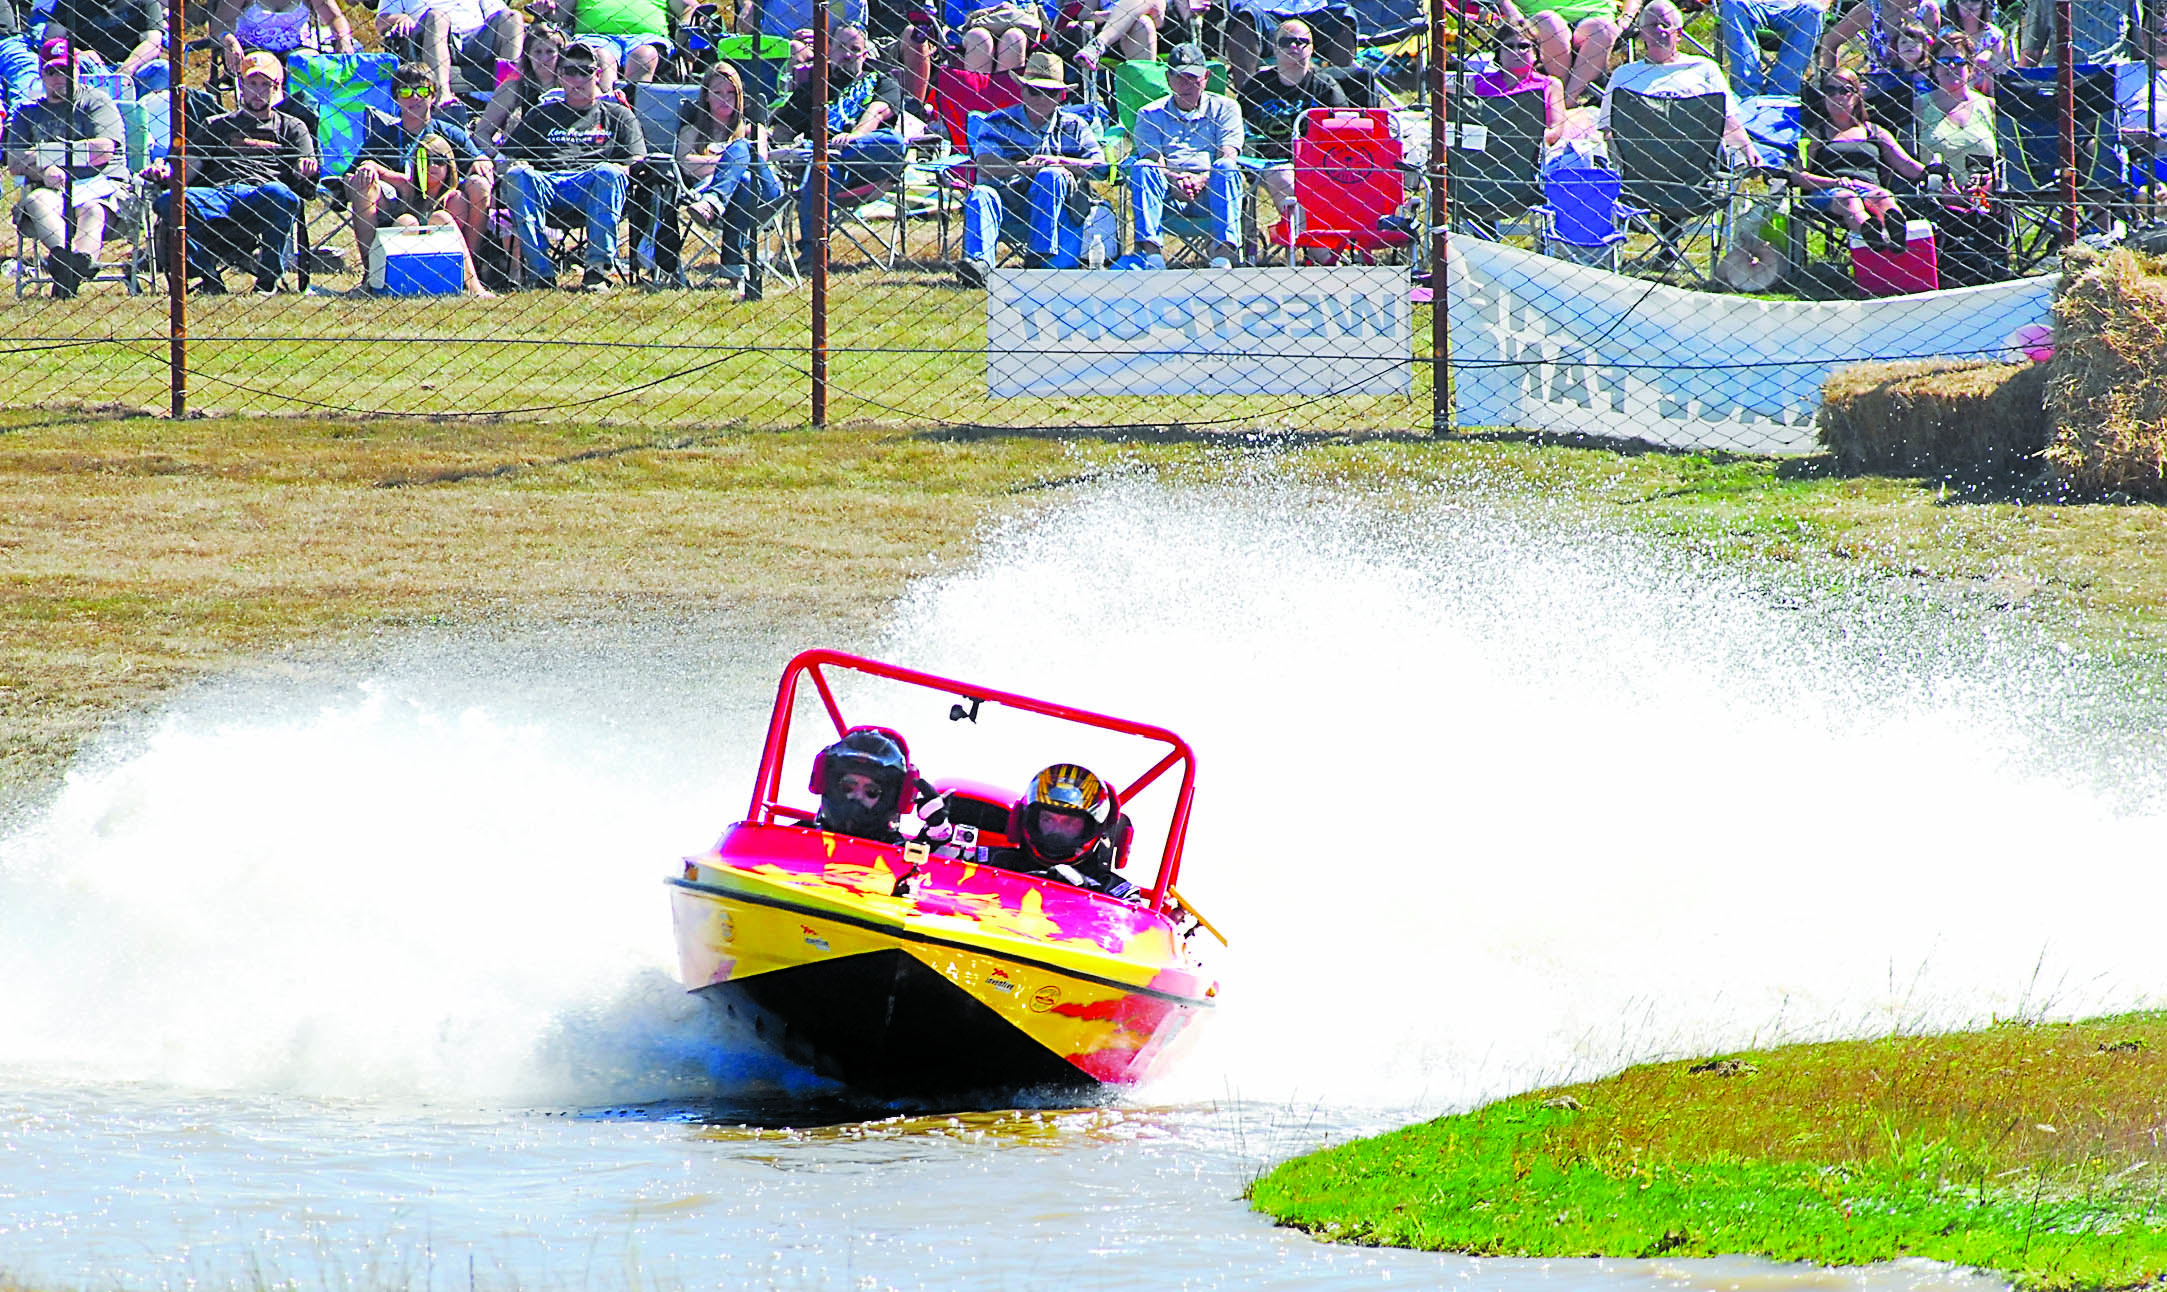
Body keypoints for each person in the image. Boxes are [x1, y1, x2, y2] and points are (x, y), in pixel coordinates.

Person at [156, 49, 319, 294]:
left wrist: (304, 169)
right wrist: (165, 172)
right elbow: (186, 171)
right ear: (241, 86)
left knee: (280, 194)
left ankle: (267, 281)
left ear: (276, 88)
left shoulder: (292, 126)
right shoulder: (216, 125)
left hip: (262, 196)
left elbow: (305, 164)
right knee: (169, 200)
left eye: (265, 85)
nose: (257, 91)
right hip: (218, 195)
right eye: (252, 84)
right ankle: (210, 277)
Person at [498, 40, 644, 290]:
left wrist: (622, 171)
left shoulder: (618, 115)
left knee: (609, 172)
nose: (577, 79)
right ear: (560, 76)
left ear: (597, 75)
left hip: (594, 185)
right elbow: (506, 157)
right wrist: (513, 165)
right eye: (570, 71)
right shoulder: (541, 114)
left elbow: (637, 160)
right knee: (518, 175)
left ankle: (596, 272)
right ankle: (540, 274)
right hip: (547, 185)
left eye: (585, 71)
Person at [956, 50, 1108, 283]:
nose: (1041, 98)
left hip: (1059, 209)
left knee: (1051, 175)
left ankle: (1038, 256)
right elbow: (984, 165)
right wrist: (1024, 167)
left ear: (1061, 96)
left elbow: (1101, 167)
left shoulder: (1075, 126)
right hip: (1006, 202)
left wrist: (1061, 162)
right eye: (1035, 90)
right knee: (980, 193)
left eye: (1050, 92)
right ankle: (979, 266)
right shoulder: (998, 121)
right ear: (1022, 90)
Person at [346, 59, 494, 294]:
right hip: (398, 207)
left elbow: (478, 159)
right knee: (363, 183)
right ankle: (373, 276)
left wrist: (481, 160)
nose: (414, 98)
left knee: (478, 185)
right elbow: (349, 176)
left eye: (422, 91)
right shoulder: (384, 136)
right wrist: (367, 171)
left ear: (433, 96)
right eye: (406, 92)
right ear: (396, 98)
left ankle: (468, 269)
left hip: (441, 204)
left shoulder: (449, 132)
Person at [773, 21, 906, 272]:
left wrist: (854, 136)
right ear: (829, 51)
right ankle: (813, 255)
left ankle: (826, 154)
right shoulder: (814, 86)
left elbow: (877, 113)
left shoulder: (881, 81)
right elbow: (781, 130)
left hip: (865, 163)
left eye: (855, 49)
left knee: (895, 143)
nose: (847, 55)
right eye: (841, 47)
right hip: (823, 167)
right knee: (821, 168)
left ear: (865, 54)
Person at [4, 37, 126, 297]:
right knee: (36, 200)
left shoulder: (96, 102)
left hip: (101, 187)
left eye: (65, 70)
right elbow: (14, 162)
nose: (59, 78)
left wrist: (44, 154)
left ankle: (71, 266)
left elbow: (103, 150)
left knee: (92, 209)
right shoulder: (28, 112)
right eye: (52, 71)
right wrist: (43, 171)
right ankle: (68, 263)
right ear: (41, 73)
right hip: (53, 190)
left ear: (77, 72)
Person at [1117, 41, 1244, 269]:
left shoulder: (1226, 108)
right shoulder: (1149, 114)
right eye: (1179, 77)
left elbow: (1228, 154)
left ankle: (1222, 257)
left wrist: (1201, 179)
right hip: (1167, 193)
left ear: (1206, 77)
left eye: (1192, 77)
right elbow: (1154, 158)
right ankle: (1152, 257)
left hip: (1212, 191)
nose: (1186, 84)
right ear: (1168, 78)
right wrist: (1175, 181)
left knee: (1226, 167)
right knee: (1144, 167)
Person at [1600, 1, 1765, 166]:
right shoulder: (1624, 75)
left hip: (1696, 159)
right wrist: (1619, 161)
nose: (1659, 30)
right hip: (1643, 161)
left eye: (1666, 25)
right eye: (1652, 25)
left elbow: (1727, 119)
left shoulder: (1704, 68)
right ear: (1642, 33)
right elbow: (1608, 128)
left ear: (1678, 34)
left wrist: (1748, 149)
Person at [1792, 69, 1932, 248]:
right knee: (1849, 199)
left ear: (1857, 96)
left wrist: (1934, 173)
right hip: (1830, 191)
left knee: (1883, 196)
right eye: (1830, 91)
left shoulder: (1874, 132)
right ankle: (1874, 238)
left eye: (1845, 90)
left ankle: (1896, 235)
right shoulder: (1814, 135)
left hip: (1868, 189)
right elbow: (1799, 176)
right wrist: (1835, 182)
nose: (1837, 96)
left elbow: (1905, 164)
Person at [674, 58, 782, 285]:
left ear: (740, 95)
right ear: (706, 96)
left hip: (765, 195)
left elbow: (759, 160)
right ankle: (733, 266)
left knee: (743, 148)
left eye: (731, 93)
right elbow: (684, 163)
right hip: (734, 196)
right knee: (743, 179)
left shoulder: (753, 128)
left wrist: (723, 160)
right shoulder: (691, 131)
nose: (725, 98)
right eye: (717, 92)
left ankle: (713, 201)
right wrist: (733, 165)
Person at [1236, 17, 1349, 227]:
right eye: (1286, 42)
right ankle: (1316, 242)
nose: (1294, 46)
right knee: (1282, 175)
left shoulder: (1325, 87)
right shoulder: (1256, 87)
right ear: (1274, 48)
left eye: (1301, 41)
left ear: (1311, 48)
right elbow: (1239, 128)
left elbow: (1345, 129)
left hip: (1318, 162)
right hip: (1269, 162)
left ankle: (1315, 241)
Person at [995, 763, 1138, 900]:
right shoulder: (991, 862)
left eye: (1069, 823)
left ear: (1092, 828)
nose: (1056, 831)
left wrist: (1085, 893)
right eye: (1048, 819)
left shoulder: (1116, 892)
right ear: (1031, 819)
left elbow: (1132, 915)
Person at [373, 0, 524, 100]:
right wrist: (400, 18)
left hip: (477, 38)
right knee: (437, 17)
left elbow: (500, 12)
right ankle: (443, 96)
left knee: (513, 18)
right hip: (430, 37)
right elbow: (381, 21)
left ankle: (508, 94)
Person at [542, 0, 682, 92]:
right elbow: (559, 14)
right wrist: (547, 8)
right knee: (601, 57)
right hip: (596, 36)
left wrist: (685, 30)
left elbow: (688, 8)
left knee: (644, 55)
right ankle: (608, 110)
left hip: (647, 37)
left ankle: (632, 112)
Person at [810, 726, 916, 844]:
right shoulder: (800, 838)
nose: (858, 796)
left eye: (871, 791)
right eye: (848, 786)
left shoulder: (905, 852)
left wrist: (931, 837)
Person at [1916, 27, 1996, 182]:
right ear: (1934, 68)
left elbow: (2004, 161)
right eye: (1944, 62)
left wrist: (1990, 180)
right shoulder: (1918, 106)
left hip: (1983, 192)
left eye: (1959, 62)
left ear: (1970, 68)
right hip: (1934, 191)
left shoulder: (1988, 106)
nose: (1951, 66)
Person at [39, 0, 168, 94]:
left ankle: (137, 113)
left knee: (163, 70)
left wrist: (125, 71)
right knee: (72, 64)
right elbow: (52, 40)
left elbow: (153, 42)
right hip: (88, 71)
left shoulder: (145, 1)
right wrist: (78, 53)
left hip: (131, 73)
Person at [1471, 14, 1566, 141]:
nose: (1516, 52)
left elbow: (1556, 128)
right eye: (1508, 47)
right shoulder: (1479, 82)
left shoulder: (1550, 85)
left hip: (1533, 146)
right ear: (1498, 54)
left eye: (1523, 46)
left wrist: (1530, 142)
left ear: (1535, 52)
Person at [474, 20, 566, 148]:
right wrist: (497, 155)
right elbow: (481, 133)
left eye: (550, 52)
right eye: (537, 52)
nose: (544, 59)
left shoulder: (573, 86)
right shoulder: (513, 88)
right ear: (528, 55)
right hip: (520, 155)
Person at [211, 0, 356, 80]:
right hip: (253, 48)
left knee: (308, 63)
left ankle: (307, 114)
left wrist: (343, 39)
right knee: (264, 64)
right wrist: (229, 42)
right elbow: (219, 24)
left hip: (296, 47)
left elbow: (335, 18)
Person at [1718, 0, 1824, 97]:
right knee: (1733, 3)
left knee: (1814, 10)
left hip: (1795, 8)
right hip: (1750, 5)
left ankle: (1781, 92)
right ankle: (1747, 92)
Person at [1817, 0, 1942, 76]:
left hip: (1920, 82)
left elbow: (1935, 53)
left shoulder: (1928, 8)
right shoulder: (1871, 7)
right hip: (1881, 87)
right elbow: (1830, 41)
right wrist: (1832, 83)